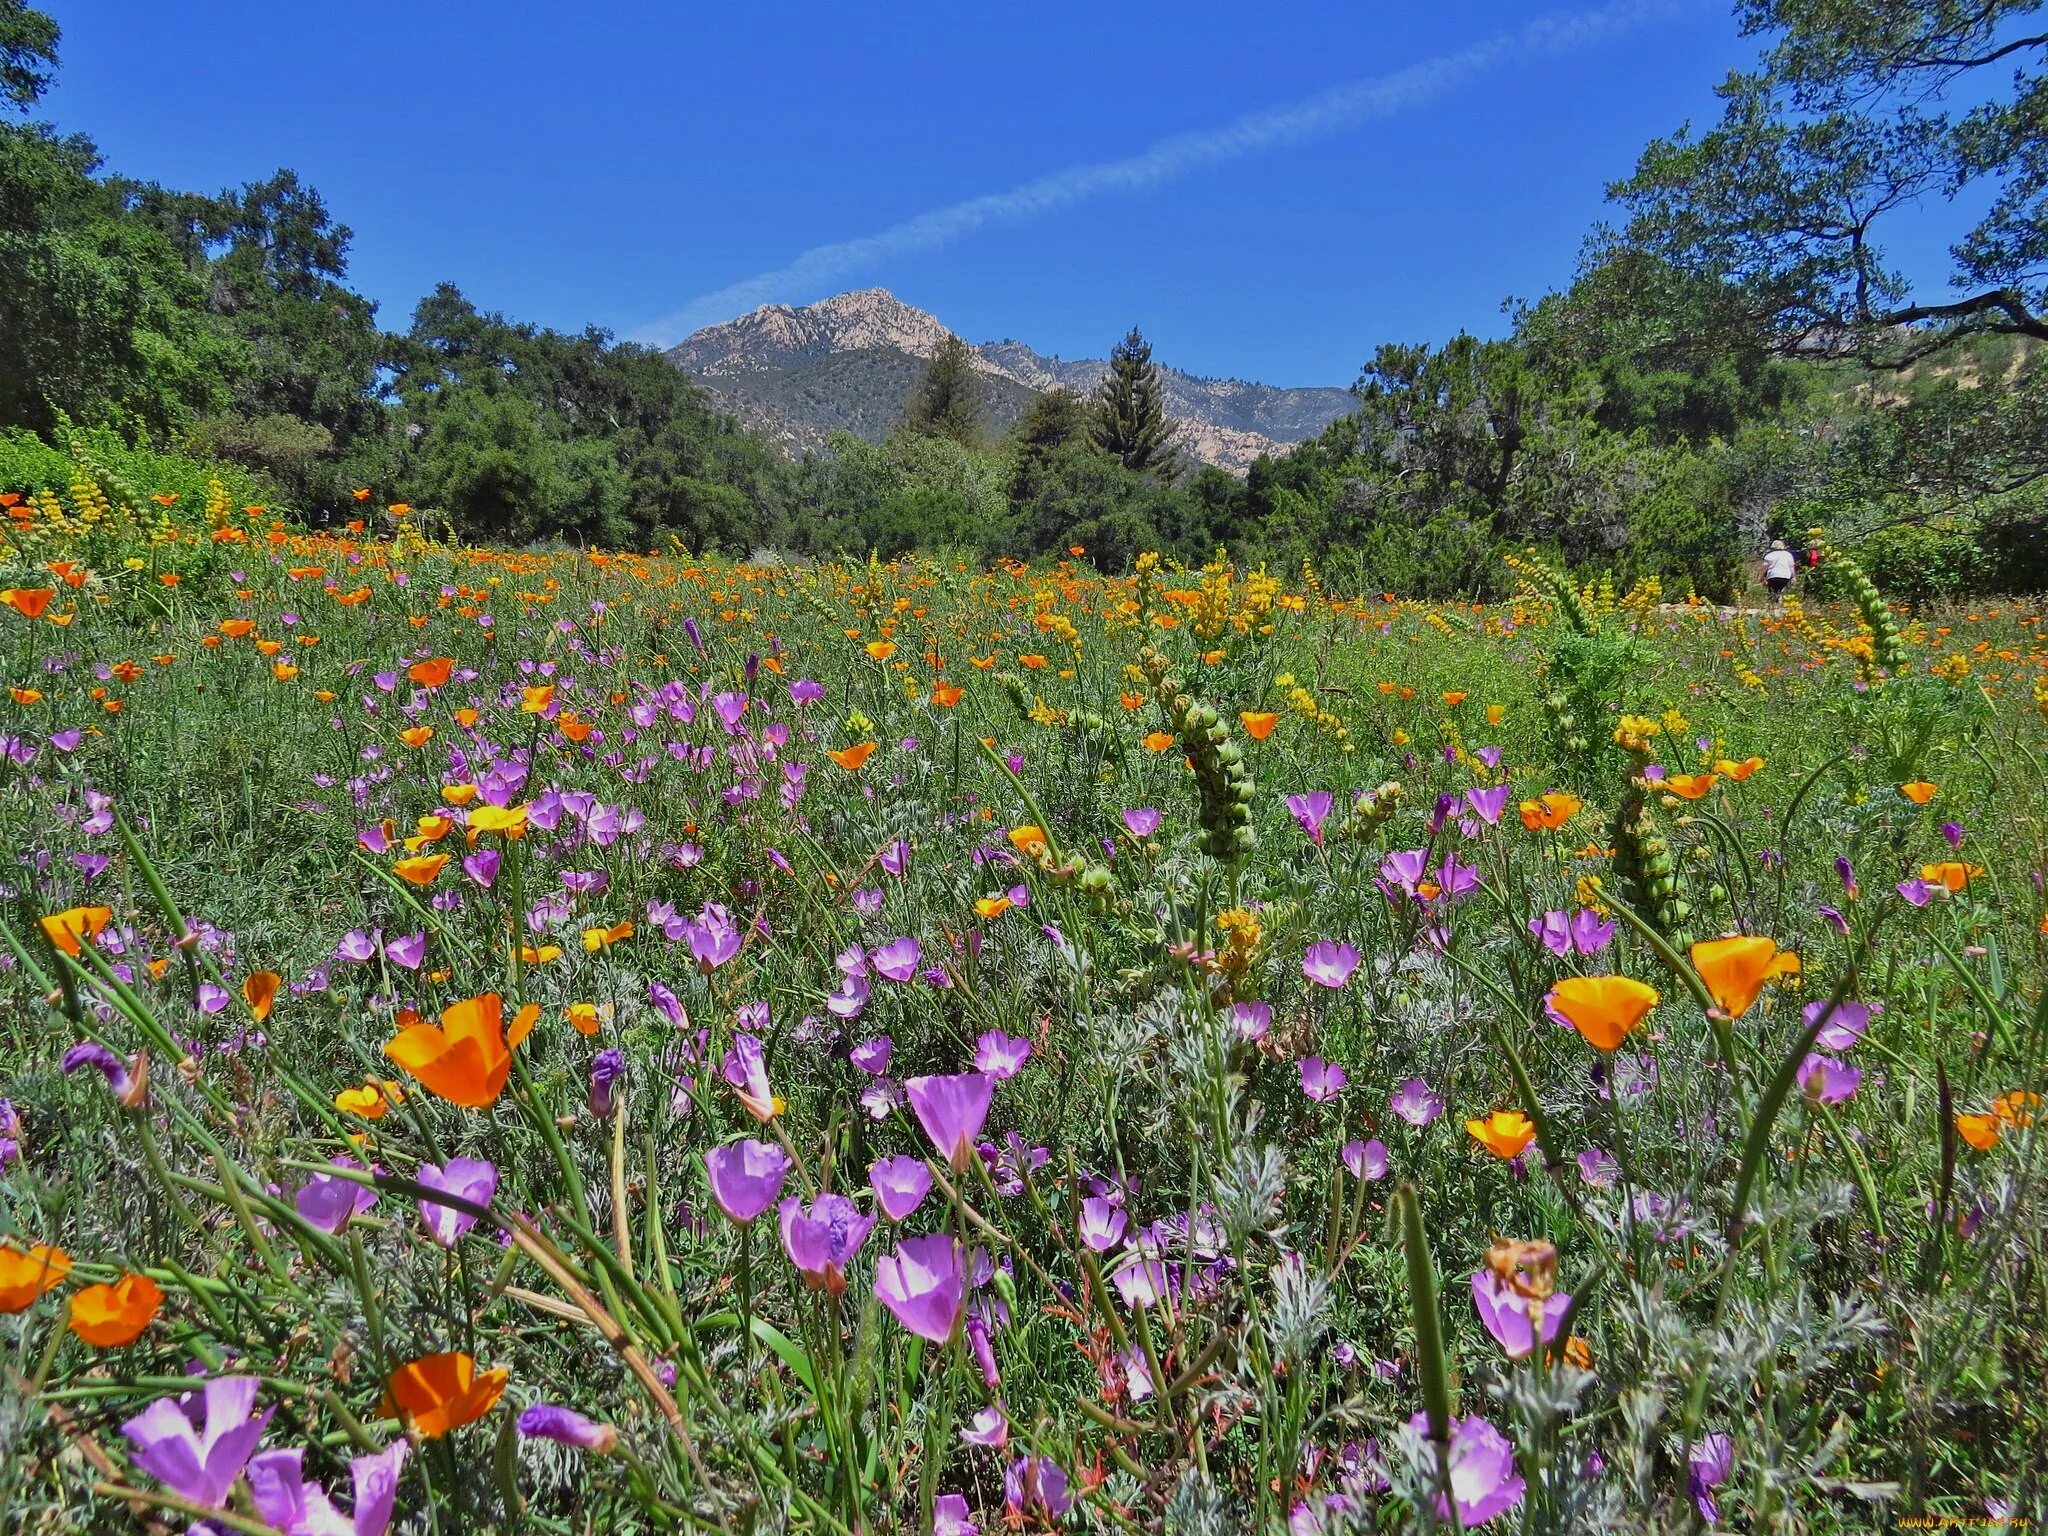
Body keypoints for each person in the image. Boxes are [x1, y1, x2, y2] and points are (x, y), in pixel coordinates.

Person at [1762, 540, 1796, 606]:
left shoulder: (1769, 555)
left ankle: (1773, 604)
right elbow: (1791, 567)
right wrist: (1793, 577)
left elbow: (1764, 568)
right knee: (1782, 590)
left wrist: (1762, 577)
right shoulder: (1788, 555)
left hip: (1773, 576)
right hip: (1785, 576)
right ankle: (1780, 602)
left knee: (1773, 591)